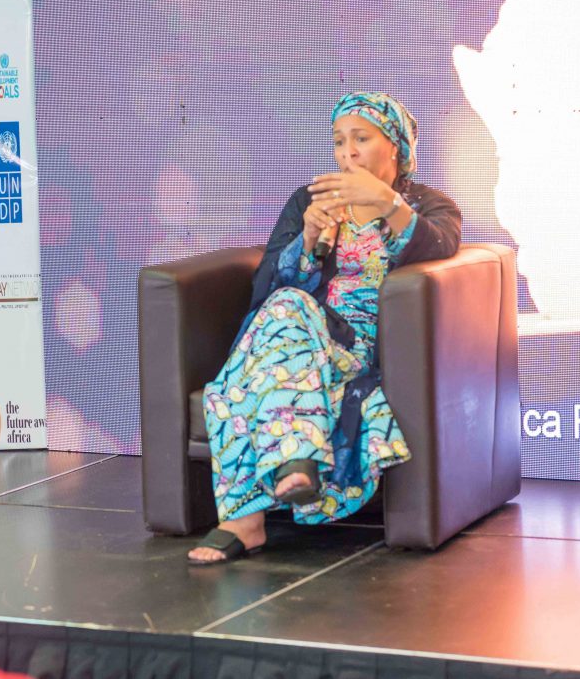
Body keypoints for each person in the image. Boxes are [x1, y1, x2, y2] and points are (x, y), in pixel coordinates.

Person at [188, 92, 461, 565]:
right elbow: (266, 286)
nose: (347, 153)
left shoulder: (430, 205)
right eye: (339, 141)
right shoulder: (310, 199)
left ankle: (245, 516)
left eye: (361, 138)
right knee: (286, 305)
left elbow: (440, 247)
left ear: (394, 145)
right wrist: (308, 240)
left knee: (252, 361)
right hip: (298, 335)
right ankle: (293, 462)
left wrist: (389, 204)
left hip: (360, 345)